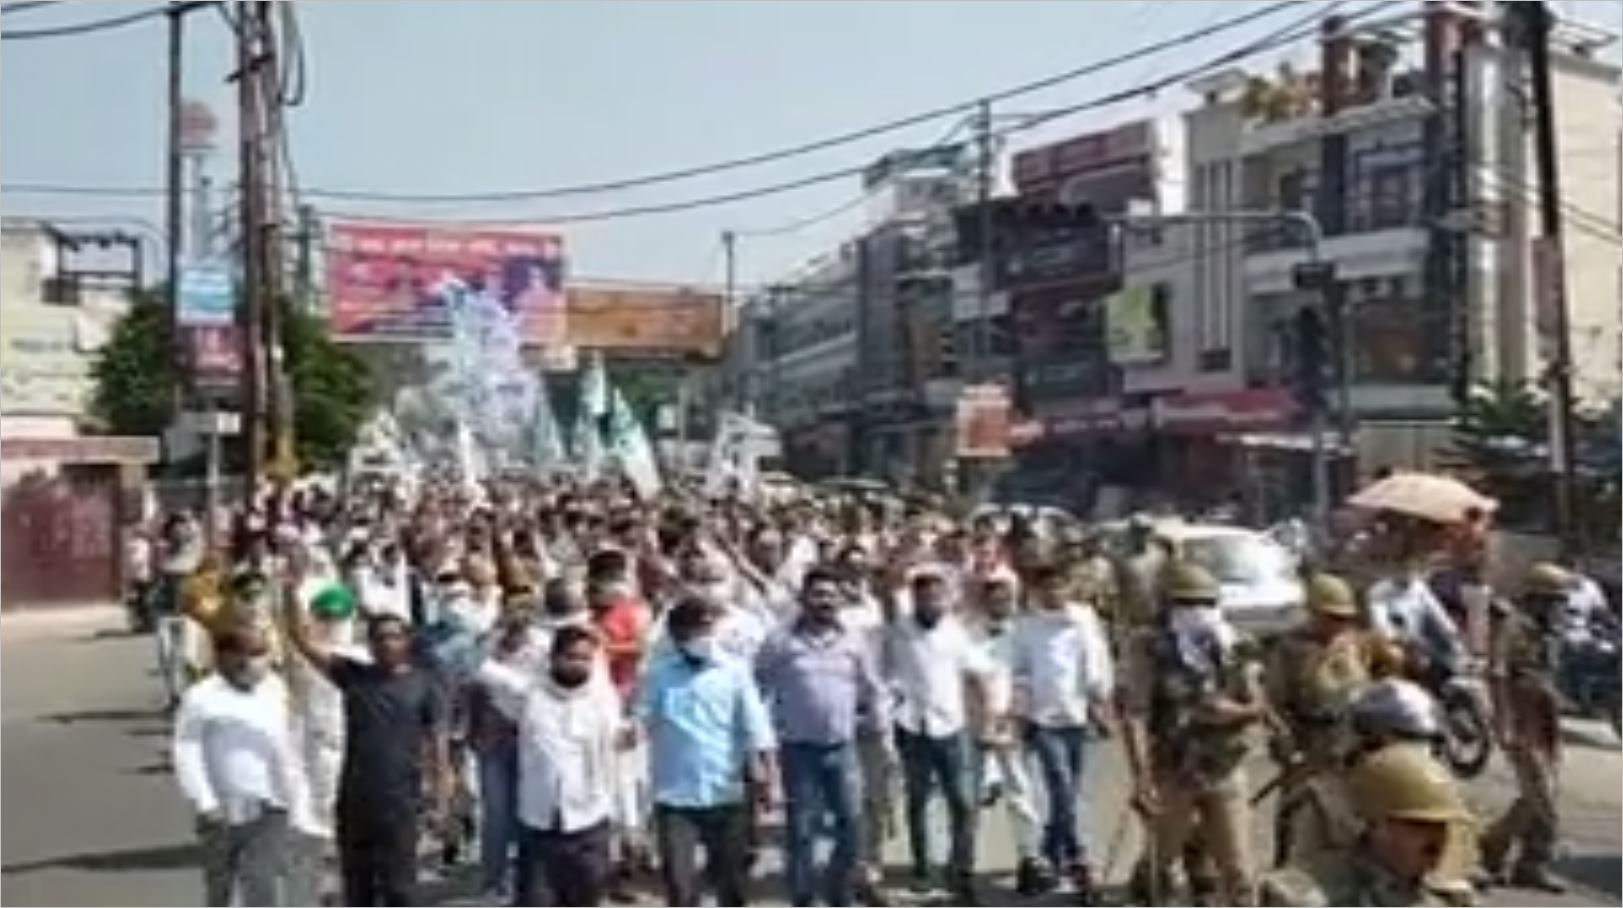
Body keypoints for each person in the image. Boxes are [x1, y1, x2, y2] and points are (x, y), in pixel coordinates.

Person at [282, 555, 451, 907]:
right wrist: (290, 590)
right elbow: (301, 639)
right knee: (358, 887)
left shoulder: (424, 685)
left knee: (400, 888)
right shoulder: (354, 676)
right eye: (380, 638)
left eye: (395, 636)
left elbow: (437, 745)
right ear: (371, 644)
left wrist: (440, 799)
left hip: (401, 802)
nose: (387, 643)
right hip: (354, 798)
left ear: (407, 641)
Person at [1120, 562, 1267, 905]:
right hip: (1173, 771)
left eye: (1205, 603)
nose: (1197, 612)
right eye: (1187, 604)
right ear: (1168, 605)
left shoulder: (1235, 645)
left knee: (1239, 871)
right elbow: (1135, 714)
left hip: (1224, 769)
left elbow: (1260, 705)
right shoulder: (1149, 646)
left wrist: (1235, 712)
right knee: (1162, 865)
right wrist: (1141, 778)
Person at [754, 568, 888, 907]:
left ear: (840, 600)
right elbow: (755, 686)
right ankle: (802, 896)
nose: (825, 601)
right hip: (798, 750)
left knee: (851, 827)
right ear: (803, 599)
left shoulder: (854, 640)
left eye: (830, 595)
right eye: (817, 595)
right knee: (801, 830)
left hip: (843, 747)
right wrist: (760, 737)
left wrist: (879, 726)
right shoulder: (780, 641)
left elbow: (874, 689)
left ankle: (837, 888)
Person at [637, 595, 777, 906]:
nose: (704, 638)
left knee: (732, 885)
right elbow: (640, 721)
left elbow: (756, 727)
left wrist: (768, 776)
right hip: (674, 795)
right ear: (677, 636)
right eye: (695, 631)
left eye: (708, 630)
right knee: (680, 884)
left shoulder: (735, 671)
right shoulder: (658, 675)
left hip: (725, 792)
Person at [474, 624, 624, 907]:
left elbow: (618, 744)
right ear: (553, 657)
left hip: (589, 818)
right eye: (571, 656)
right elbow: (479, 667)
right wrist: (502, 635)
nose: (578, 664)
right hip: (538, 821)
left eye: (585, 658)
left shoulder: (603, 698)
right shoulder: (529, 694)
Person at [883, 567, 994, 904]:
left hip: (952, 728)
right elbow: (885, 671)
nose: (931, 603)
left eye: (937, 597)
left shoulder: (954, 632)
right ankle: (921, 868)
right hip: (913, 728)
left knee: (963, 803)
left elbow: (981, 672)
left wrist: (990, 718)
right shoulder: (898, 631)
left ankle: (961, 870)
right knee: (917, 802)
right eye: (924, 597)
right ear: (914, 599)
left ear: (945, 599)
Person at [171, 623, 295, 908]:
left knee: (260, 880)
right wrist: (204, 801)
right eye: (240, 652)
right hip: (221, 809)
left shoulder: (276, 689)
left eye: (258, 652)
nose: (248, 661)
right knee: (221, 885)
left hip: (270, 805)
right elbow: (186, 750)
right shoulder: (201, 697)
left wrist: (291, 794)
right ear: (221, 655)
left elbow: (286, 742)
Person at [1010, 563, 1114, 899]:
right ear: (1038, 591)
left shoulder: (1083, 619)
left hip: (1077, 715)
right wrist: (1022, 713)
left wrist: (1100, 702)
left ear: (1069, 587)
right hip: (1043, 718)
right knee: (1061, 788)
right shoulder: (1026, 626)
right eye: (1048, 588)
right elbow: (1021, 671)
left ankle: (1050, 857)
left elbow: (1096, 662)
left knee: (1071, 790)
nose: (1054, 593)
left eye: (1060, 586)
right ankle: (1079, 857)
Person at [1260, 745, 1474, 906]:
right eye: (1417, 824)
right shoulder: (1304, 895)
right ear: (1375, 824)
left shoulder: (1448, 898)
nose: (1435, 837)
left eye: (1442, 825)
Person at [1267, 573, 1373, 866]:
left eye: (1344, 617)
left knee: (1348, 818)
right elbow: (1273, 700)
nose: (1340, 623)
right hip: (1308, 743)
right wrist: (1283, 735)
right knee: (1296, 812)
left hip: (1350, 744)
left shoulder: (1357, 643)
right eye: (1332, 616)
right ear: (1313, 612)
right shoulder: (1289, 648)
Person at [1480, 563, 1568, 893]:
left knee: (1538, 796)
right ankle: (1503, 849)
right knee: (1542, 797)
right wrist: (1503, 722)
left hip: (1544, 718)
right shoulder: (1512, 624)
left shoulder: (1546, 630)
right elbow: (1498, 672)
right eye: (1552, 600)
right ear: (1536, 598)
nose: (1557, 607)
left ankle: (1515, 858)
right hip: (1521, 717)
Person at [285, 584, 366, 908]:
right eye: (325, 617)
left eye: (338, 617)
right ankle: (328, 888)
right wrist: (289, 593)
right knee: (322, 817)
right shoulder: (306, 656)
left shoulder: (363, 657)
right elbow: (294, 632)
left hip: (359, 747)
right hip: (317, 745)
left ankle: (351, 883)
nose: (331, 623)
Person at [967, 570, 1048, 896]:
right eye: (992, 596)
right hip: (974, 725)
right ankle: (964, 866)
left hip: (1012, 723)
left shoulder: (1025, 633)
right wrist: (980, 720)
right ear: (983, 599)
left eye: (1005, 596)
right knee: (969, 798)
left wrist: (1017, 714)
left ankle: (1030, 858)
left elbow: (1029, 678)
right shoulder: (967, 633)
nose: (998, 601)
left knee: (1021, 793)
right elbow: (964, 678)